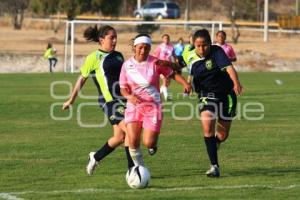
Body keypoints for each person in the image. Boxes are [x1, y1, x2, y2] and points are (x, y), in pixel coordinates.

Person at [62, 25, 134, 175]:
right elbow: (81, 79)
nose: (114, 40)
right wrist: (71, 100)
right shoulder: (93, 58)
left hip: (124, 99)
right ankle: (132, 169)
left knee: (119, 137)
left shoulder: (119, 55)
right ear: (101, 40)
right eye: (111, 38)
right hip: (109, 101)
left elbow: (124, 77)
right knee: (130, 131)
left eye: (115, 37)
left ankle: (95, 157)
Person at [119, 33, 191, 166]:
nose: (143, 50)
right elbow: (122, 89)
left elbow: (172, 74)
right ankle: (138, 168)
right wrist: (130, 97)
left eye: (146, 48)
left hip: (153, 108)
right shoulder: (126, 65)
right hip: (134, 107)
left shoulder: (155, 62)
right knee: (133, 141)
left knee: (148, 142)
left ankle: (152, 145)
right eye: (140, 47)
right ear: (134, 47)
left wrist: (185, 83)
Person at [182, 29, 243, 177]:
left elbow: (229, 68)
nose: (201, 49)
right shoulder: (188, 54)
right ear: (193, 44)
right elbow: (176, 65)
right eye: (198, 46)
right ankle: (214, 166)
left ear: (210, 43)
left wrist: (236, 83)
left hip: (226, 95)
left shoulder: (217, 51)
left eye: (205, 45)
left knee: (222, 135)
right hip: (206, 95)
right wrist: (169, 67)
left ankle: (214, 143)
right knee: (207, 125)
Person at [153, 34, 176, 101]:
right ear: (162, 39)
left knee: (167, 82)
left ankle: (157, 94)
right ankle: (167, 97)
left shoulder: (171, 47)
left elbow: (174, 55)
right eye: (165, 38)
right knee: (165, 81)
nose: (166, 39)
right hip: (161, 66)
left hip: (168, 66)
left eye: (167, 38)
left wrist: (175, 64)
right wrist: (156, 65)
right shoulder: (160, 47)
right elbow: (155, 56)